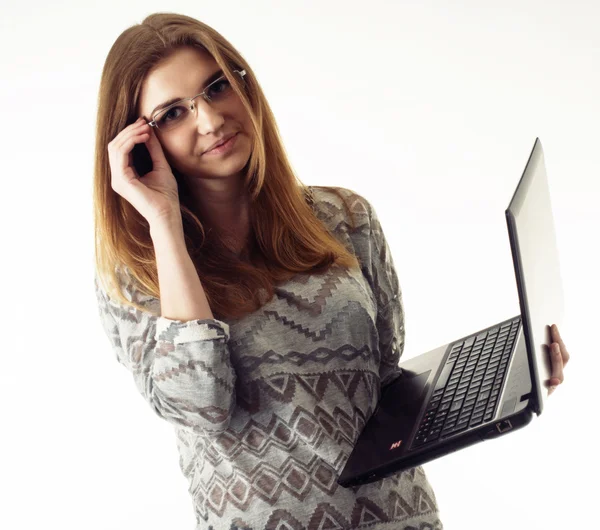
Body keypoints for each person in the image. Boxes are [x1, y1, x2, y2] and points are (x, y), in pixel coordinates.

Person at [93, 12, 569, 530]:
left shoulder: (345, 217)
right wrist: (164, 223)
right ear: (137, 143)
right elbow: (200, 406)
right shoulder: (136, 273)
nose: (208, 120)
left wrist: (507, 390)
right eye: (172, 114)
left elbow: (383, 380)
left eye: (217, 87)